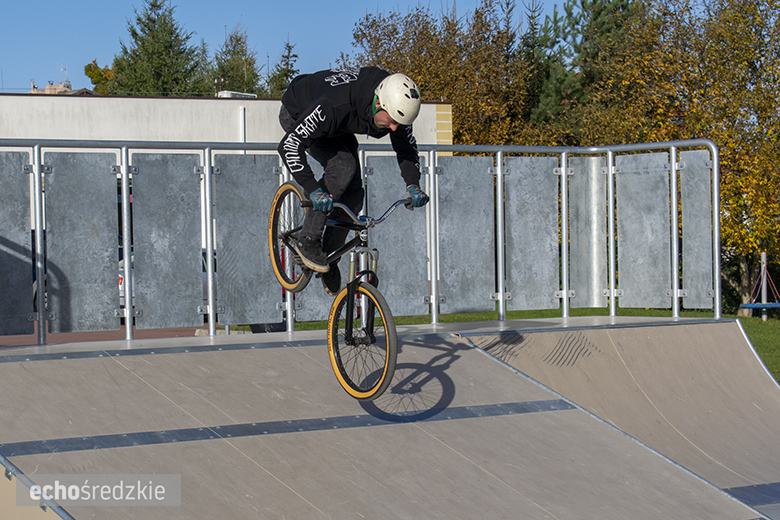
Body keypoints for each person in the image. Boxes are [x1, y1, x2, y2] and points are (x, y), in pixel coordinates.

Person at [277, 66, 430, 296]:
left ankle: (328, 254)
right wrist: (314, 189)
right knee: (342, 167)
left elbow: (406, 148)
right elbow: (289, 145)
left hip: (339, 123)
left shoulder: (395, 103)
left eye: (400, 123)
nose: (394, 128)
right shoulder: (331, 106)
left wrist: (413, 185)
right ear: (379, 103)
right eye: (391, 121)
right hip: (299, 111)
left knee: (355, 195)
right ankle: (307, 239)